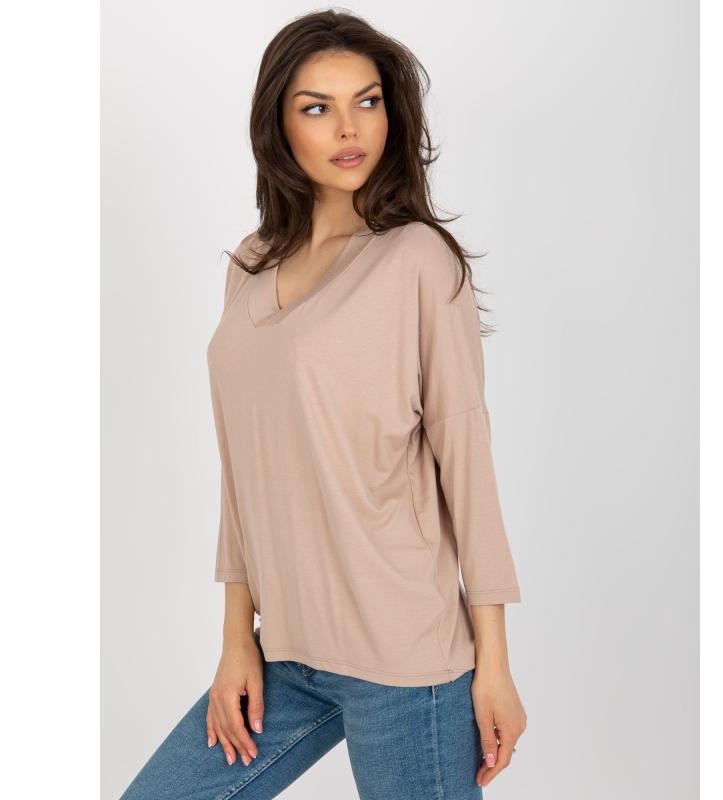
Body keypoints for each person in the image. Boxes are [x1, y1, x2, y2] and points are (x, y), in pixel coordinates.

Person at [121, 9, 526, 799]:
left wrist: (495, 664)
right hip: (286, 653)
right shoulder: (250, 265)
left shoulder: (417, 259)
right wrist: (236, 638)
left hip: (408, 659)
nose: (350, 128)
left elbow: (466, 461)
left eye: (367, 101)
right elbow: (243, 469)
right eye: (317, 107)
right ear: (278, 125)